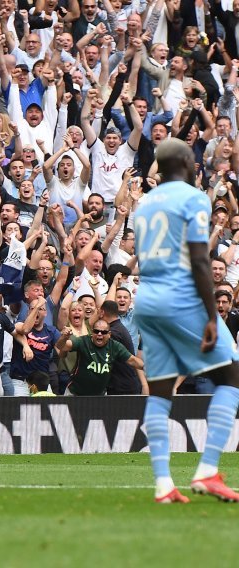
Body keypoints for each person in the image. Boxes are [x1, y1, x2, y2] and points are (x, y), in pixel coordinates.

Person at [133, 138, 239, 503]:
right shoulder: (193, 197)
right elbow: (198, 259)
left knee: (160, 391)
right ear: (183, 161)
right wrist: (211, 314)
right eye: (192, 159)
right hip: (180, 297)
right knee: (231, 374)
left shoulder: (144, 204)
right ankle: (208, 471)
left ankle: (163, 485)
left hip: (146, 300)